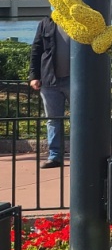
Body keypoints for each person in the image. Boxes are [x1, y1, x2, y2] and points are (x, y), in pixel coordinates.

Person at [29, 15, 71, 168]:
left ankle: (82, 154)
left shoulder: (76, 20)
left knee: (80, 119)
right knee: (53, 120)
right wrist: (34, 76)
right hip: (49, 80)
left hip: (75, 81)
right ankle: (55, 156)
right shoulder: (45, 23)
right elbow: (36, 49)